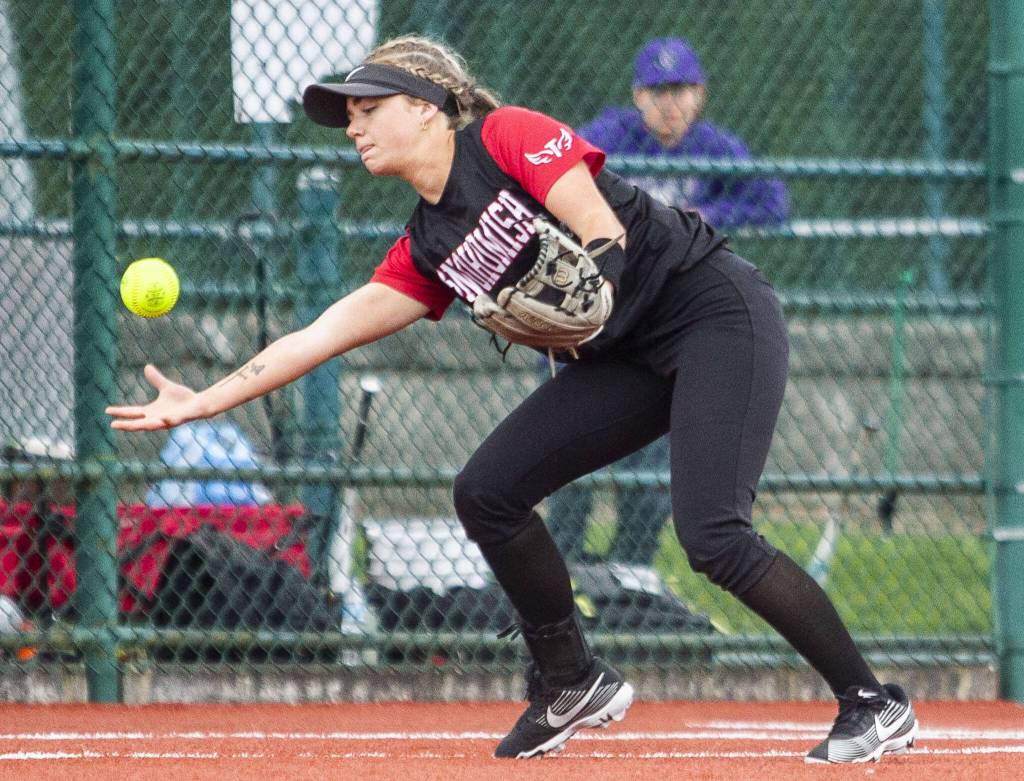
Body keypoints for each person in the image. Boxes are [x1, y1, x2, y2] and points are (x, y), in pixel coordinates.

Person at [106, 34, 917, 763]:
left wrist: (592, 276)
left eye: (368, 109)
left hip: (711, 312)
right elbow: (321, 334)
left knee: (713, 535)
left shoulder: (506, 136)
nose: (353, 127)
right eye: (347, 115)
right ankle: (572, 677)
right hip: (627, 354)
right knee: (487, 491)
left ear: (427, 111)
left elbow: (603, 232)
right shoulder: (427, 244)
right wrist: (204, 400)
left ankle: (872, 702)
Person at [545, 36, 790, 572]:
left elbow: (773, 203)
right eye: (656, 91)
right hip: (597, 313)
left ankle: (631, 578)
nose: (668, 104)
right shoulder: (611, 136)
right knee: (566, 455)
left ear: (699, 95)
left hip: (666, 322)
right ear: (637, 96)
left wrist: (707, 214)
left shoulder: (715, 147)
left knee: (651, 460)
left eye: (679, 91)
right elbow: (555, 177)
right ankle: (561, 576)